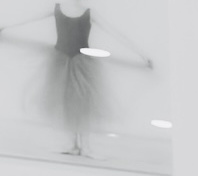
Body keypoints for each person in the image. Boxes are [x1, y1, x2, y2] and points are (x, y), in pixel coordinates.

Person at [0, 2, 157, 158]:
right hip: (61, 61)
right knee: (67, 104)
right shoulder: (57, 9)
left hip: (82, 64)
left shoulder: (88, 13)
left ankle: (85, 146)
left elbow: (115, 33)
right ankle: (73, 145)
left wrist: (141, 54)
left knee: (84, 105)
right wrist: (6, 27)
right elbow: (30, 19)